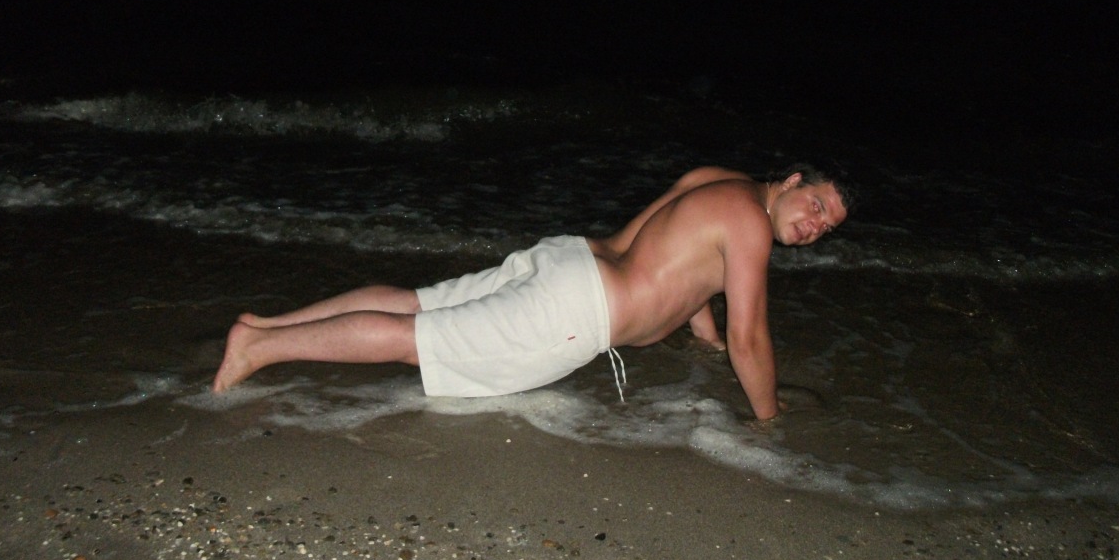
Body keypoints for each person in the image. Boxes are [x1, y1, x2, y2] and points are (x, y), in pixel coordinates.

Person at [212, 165, 850, 420]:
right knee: (417, 340)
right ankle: (259, 349)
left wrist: (699, 331)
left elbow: (678, 248)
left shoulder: (724, 183)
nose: (815, 225)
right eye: (817, 204)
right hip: (575, 308)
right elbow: (750, 337)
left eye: (827, 227)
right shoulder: (751, 227)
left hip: (570, 259)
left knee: (417, 302)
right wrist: (769, 419)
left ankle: (267, 325)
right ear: (794, 180)